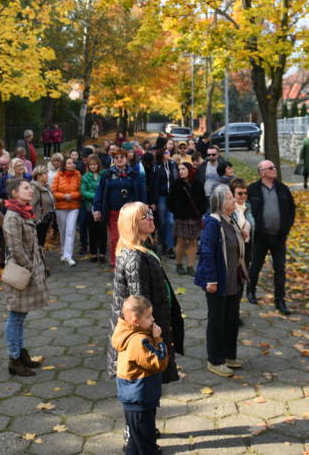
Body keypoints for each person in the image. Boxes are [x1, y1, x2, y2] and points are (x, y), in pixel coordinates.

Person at [107, 203, 182, 388]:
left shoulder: (145, 248)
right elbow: (140, 307)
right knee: (146, 382)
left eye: (150, 214)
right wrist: (154, 338)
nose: (151, 218)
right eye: (144, 217)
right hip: (146, 330)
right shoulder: (135, 257)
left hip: (156, 315)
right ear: (132, 224)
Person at [195, 185, 246, 377]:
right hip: (218, 282)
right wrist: (211, 280)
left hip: (233, 280)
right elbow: (207, 253)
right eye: (231, 198)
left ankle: (228, 355)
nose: (234, 200)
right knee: (217, 321)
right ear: (221, 203)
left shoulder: (230, 218)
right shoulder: (213, 222)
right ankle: (215, 360)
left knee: (232, 319)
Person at [1, 177, 50, 377]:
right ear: (15, 193)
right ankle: (14, 359)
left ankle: (21, 353)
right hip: (20, 273)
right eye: (26, 188)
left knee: (21, 314)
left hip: (27, 270)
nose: (30, 191)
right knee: (15, 315)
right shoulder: (13, 216)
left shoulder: (24, 212)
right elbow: (15, 249)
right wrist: (30, 268)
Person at [113, 295, 170, 455]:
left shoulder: (125, 331)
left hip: (133, 398)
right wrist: (158, 339)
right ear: (134, 322)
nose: (152, 320)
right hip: (141, 400)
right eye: (148, 317)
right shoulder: (140, 341)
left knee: (136, 441)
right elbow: (160, 362)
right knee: (147, 445)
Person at [246, 159, 296, 315]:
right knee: (255, 266)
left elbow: (291, 209)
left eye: (274, 167)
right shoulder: (253, 189)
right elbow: (245, 209)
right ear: (262, 172)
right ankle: (251, 290)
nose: (275, 169)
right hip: (260, 237)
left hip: (279, 237)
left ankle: (280, 300)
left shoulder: (283, 189)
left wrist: (286, 227)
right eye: (271, 167)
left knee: (280, 269)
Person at [93, 149, 147, 267]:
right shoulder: (107, 174)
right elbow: (99, 192)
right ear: (113, 159)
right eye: (116, 157)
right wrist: (97, 208)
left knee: (130, 239)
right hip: (113, 212)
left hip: (130, 213)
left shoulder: (134, 174)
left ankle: (130, 265)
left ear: (126, 158)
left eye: (122, 157)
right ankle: (116, 265)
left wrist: (144, 209)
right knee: (114, 239)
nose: (119, 160)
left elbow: (142, 192)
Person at [167, 161, 205, 276]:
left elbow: (203, 201)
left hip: (194, 218)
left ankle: (190, 266)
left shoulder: (197, 184)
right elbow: (169, 201)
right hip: (181, 218)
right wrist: (177, 211)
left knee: (193, 242)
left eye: (183, 169)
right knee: (181, 242)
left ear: (189, 170)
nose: (181, 171)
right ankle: (179, 264)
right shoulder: (177, 184)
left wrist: (199, 212)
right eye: (180, 169)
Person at [230, 177, 254, 325]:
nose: (243, 196)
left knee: (241, 282)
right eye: (240, 193)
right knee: (233, 282)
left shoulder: (248, 206)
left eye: (245, 193)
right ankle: (231, 313)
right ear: (232, 194)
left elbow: (252, 226)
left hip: (246, 249)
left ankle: (235, 311)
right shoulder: (229, 209)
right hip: (233, 251)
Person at [51, 157, 82, 266]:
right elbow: (54, 192)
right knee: (62, 230)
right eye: (69, 163)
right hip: (61, 207)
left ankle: (68, 255)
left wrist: (71, 196)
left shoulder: (78, 175)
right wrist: (64, 196)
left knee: (70, 230)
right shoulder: (58, 176)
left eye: (72, 163)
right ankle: (64, 252)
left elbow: (80, 191)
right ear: (64, 165)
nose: (72, 165)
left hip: (74, 206)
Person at [147, 148, 176, 258]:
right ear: (161, 154)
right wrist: (153, 201)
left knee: (171, 221)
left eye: (169, 152)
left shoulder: (172, 165)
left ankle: (170, 247)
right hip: (161, 197)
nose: (169, 153)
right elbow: (153, 185)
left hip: (172, 197)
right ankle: (163, 244)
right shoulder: (156, 167)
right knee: (163, 222)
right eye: (166, 152)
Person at [81, 154, 105, 262]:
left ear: (98, 165)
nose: (93, 167)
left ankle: (103, 252)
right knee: (91, 230)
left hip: (102, 206)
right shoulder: (85, 177)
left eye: (95, 164)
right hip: (90, 206)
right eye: (91, 165)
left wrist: (101, 197)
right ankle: (93, 252)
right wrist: (95, 196)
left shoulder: (103, 175)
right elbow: (83, 191)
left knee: (102, 229)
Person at [30, 165, 57, 251]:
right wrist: (34, 220)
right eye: (45, 174)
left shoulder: (47, 187)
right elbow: (31, 206)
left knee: (41, 243)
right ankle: (37, 262)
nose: (47, 176)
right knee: (37, 244)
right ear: (38, 176)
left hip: (45, 220)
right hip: (38, 222)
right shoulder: (34, 188)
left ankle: (39, 261)